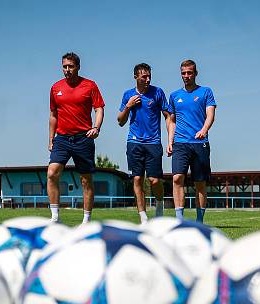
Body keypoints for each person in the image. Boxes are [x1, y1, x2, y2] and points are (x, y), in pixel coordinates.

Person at [47, 52, 105, 224]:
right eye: (64, 66)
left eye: (71, 66)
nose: (67, 70)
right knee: (52, 173)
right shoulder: (55, 87)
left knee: (85, 180)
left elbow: (99, 108)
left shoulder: (90, 85)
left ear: (78, 67)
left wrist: (96, 127)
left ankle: (86, 221)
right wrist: (51, 139)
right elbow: (53, 115)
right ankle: (55, 218)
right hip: (62, 138)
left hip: (83, 138)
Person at [117, 63, 172, 225]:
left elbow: (168, 116)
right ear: (136, 77)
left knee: (154, 180)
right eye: (144, 76)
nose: (148, 79)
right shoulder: (128, 95)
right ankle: (143, 218)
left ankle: (160, 207)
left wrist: (170, 138)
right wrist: (128, 106)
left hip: (154, 142)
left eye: (149, 76)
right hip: (134, 142)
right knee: (137, 180)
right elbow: (120, 121)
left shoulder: (158, 92)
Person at [168, 59, 216, 223]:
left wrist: (204, 130)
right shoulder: (174, 96)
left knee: (200, 183)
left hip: (199, 143)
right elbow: (172, 121)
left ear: (195, 73)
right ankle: (179, 221)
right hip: (180, 143)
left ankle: (199, 221)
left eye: (189, 72)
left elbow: (210, 115)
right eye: (183, 73)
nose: (186, 76)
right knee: (177, 178)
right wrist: (169, 141)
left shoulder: (206, 92)